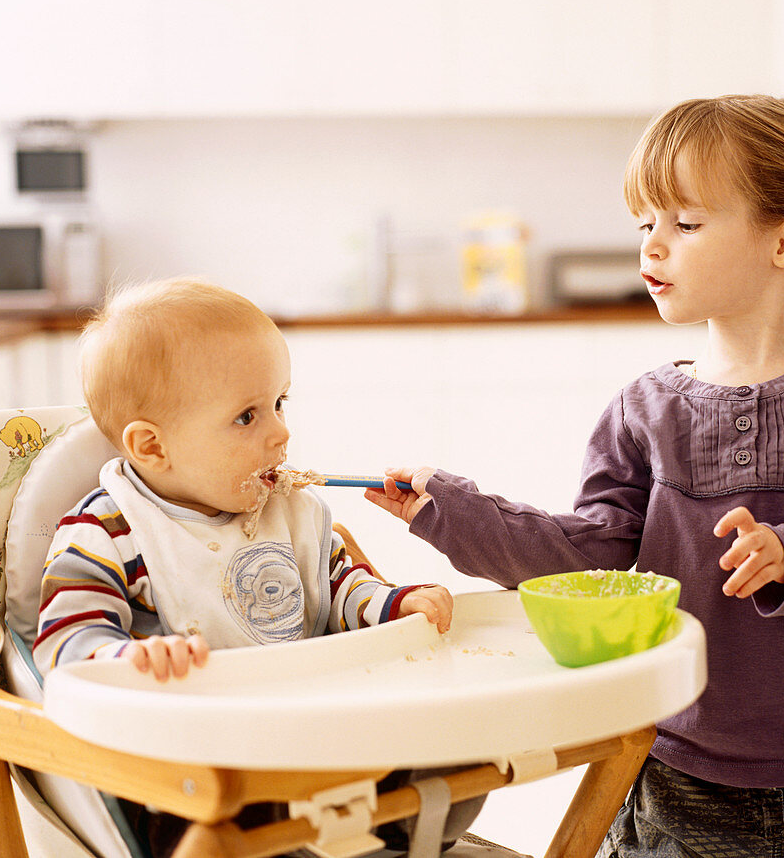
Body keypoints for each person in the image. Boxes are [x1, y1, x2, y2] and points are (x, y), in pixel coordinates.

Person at [366, 95, 784, 858]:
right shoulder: (642, 409)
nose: (652, 248)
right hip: (675, 771)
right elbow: (595, 558)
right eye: (646, 224)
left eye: (685, 224)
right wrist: (454, 514)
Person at [34, 277, 474, 856]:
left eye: (279, 403)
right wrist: (127, 658)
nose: (281, 432)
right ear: (151, 448)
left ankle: (387, 825)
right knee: (193, 819)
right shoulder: (110, 531)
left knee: (464, 739)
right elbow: (62, 643)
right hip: (197, 771)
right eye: (247, 417)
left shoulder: (290, 513)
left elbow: (339, 585)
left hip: (318, 739)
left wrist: (392, 604)